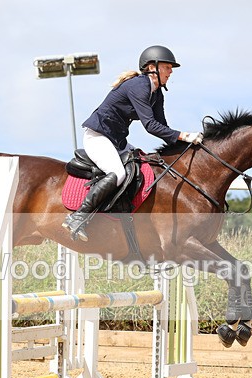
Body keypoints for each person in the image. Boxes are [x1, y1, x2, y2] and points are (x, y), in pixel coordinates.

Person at [62, 45, 204, 241]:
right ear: (152, 67)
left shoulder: (157, 93)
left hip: (116, 141)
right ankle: (77, 217)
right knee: (118, 174)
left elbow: (162, 127)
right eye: (168, 67)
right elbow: (150, 125)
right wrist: (184, 136)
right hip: (98, 136)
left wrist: (185, 145)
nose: (171, 72)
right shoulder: (140, 85)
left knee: (143, 163)